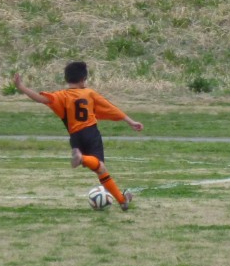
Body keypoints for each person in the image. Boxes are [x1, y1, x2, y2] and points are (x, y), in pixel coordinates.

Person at [13, 61, 143, 210]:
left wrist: (21, 87)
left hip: (75, 137)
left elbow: (41, 99)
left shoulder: (61, 96)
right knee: (100, 166)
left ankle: (122, 200)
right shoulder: (89, 93)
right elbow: (110, 108)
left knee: (100, 170)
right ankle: (82, 159)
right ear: (83, 79)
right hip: (90, 133)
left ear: (66, 78)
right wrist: (130, 121)